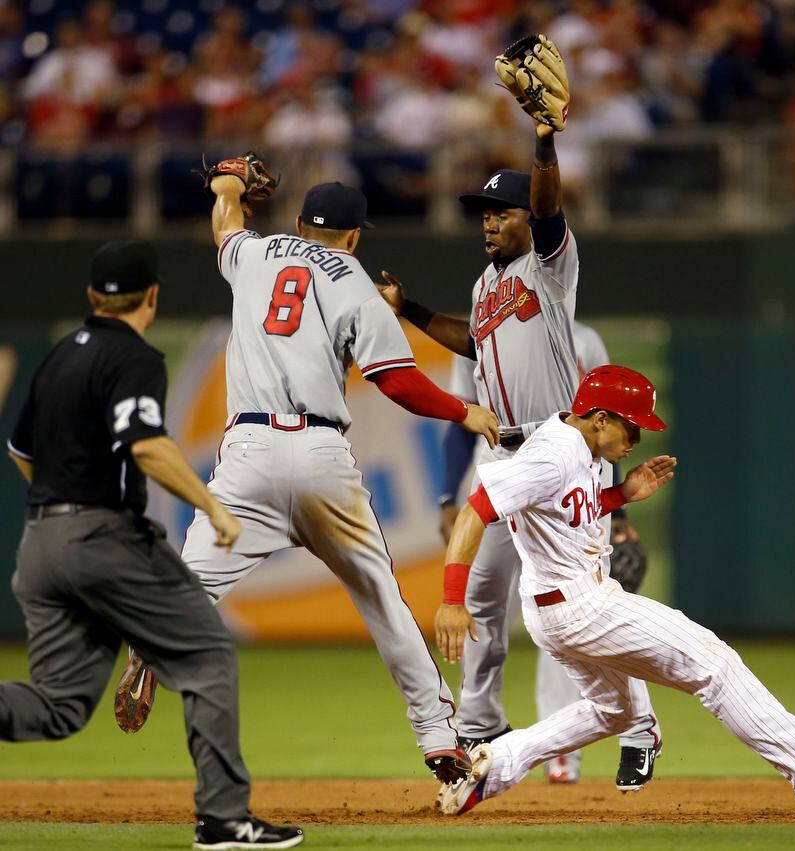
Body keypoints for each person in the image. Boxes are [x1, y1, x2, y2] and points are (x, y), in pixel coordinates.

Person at [112, 174, 500, 787]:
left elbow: (224, 227)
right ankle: (438, 737)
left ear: (300, 225)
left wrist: (231, 184)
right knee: (385, 605)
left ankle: (150, 643)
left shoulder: (254, 252)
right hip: (320, 456)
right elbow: (396, 380)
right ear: (352, 235)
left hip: (247, 454)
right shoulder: (356, 285)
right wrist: (464, 410)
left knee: (184, 593)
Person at [433, 365, 795, 817]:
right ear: (601, 417)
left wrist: (620, 495)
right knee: (714, 663)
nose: (637, 440)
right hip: (578, 605)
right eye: (632, 426)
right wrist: (453, 601)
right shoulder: (555, 453)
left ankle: (495, 765)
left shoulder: (580, 443)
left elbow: (565, 509)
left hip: (559, 607)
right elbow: (476, 511)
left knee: (614, 710)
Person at [3, 241, 303, 849]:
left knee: (60, 705)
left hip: (39, 545)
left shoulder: (60, 355)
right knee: (207, 656)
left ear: (92, 298)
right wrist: (214, 505)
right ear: (153, 297)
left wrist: (61, 514)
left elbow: (20, 452)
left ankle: (224, 817)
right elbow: (145, 444)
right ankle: (223, 819)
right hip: (103, 540)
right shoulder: (133, 356)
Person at [438, 321, 657, 785]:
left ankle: (582, 746)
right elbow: (461, 426)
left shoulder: (580, 338)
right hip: (503, 459)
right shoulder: (484, 328)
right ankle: (478, 728)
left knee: (579, 609)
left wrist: (618, 507)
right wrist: (446, 497)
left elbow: (616, 425)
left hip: (571, 472)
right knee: (484, 601)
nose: (637, 440)